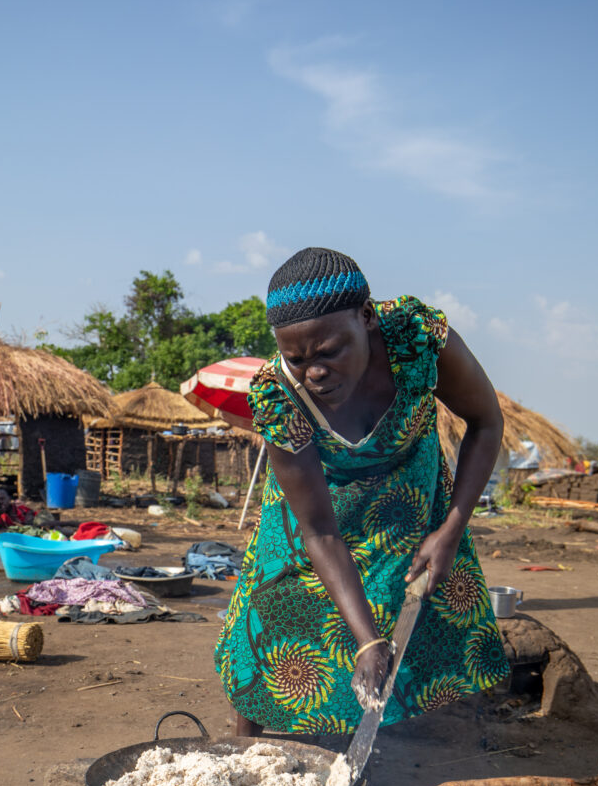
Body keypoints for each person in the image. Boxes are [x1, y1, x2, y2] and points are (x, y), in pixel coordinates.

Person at [215, 247, 510, 738]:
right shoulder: (279, 396)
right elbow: (320, 532)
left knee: (406, 593)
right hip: (316, 500)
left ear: (367, 317)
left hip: (406, 489)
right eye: (297, 358)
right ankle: (244, 741)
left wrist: (451, 529)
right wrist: (367, 644)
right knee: (276, 603)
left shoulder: (418, 340)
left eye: (329, 351)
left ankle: (412, 730)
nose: (315, 372)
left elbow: (486, 421)